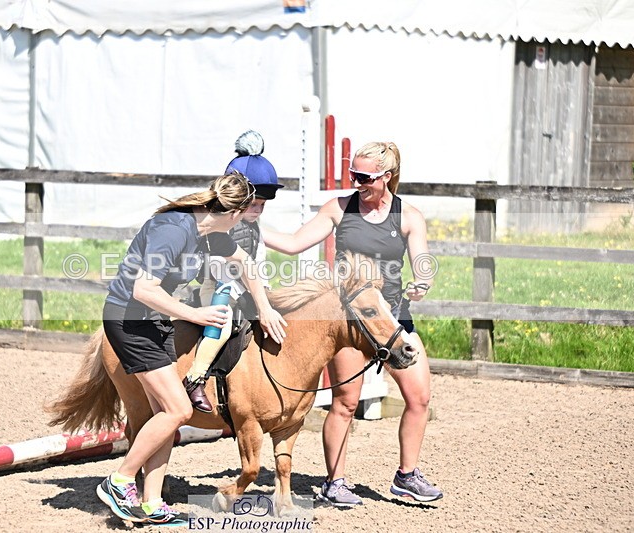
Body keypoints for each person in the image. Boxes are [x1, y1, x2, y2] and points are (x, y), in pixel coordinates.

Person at [99, 172, 288, 525]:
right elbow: (143, 290)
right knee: (178, 410)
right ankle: (120, 480)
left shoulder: (208, 234)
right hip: (129, 320)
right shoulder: (174, 230)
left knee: (166, 418)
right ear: (235, 211)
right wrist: (197, 314)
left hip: (153, 322)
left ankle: (152, 503)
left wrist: (264, 308)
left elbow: (245, 264)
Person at [264, 141, 443, 505]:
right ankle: (335, 482)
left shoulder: (409, 216)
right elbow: (295, 243)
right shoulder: (338, 209)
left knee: (419, 397)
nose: (355, 181)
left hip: (391, 320)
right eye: (353, 174)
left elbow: (422, 260)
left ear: (387, 177)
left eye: (363, 176)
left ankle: (406, 476)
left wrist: (423, 281)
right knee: (345, 403)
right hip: (348, 323)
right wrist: (248, 225)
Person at [183, 130, 284, 412]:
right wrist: (248, 293)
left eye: (263, 205)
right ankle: (196, 376)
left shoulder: (253, 226)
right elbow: (221, 268)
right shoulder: (223, 224)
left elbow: (257, 261)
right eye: (254, 204)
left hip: (244, 287)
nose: (259, 210)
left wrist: (264, 291)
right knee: (224, 323)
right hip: (218, 288)